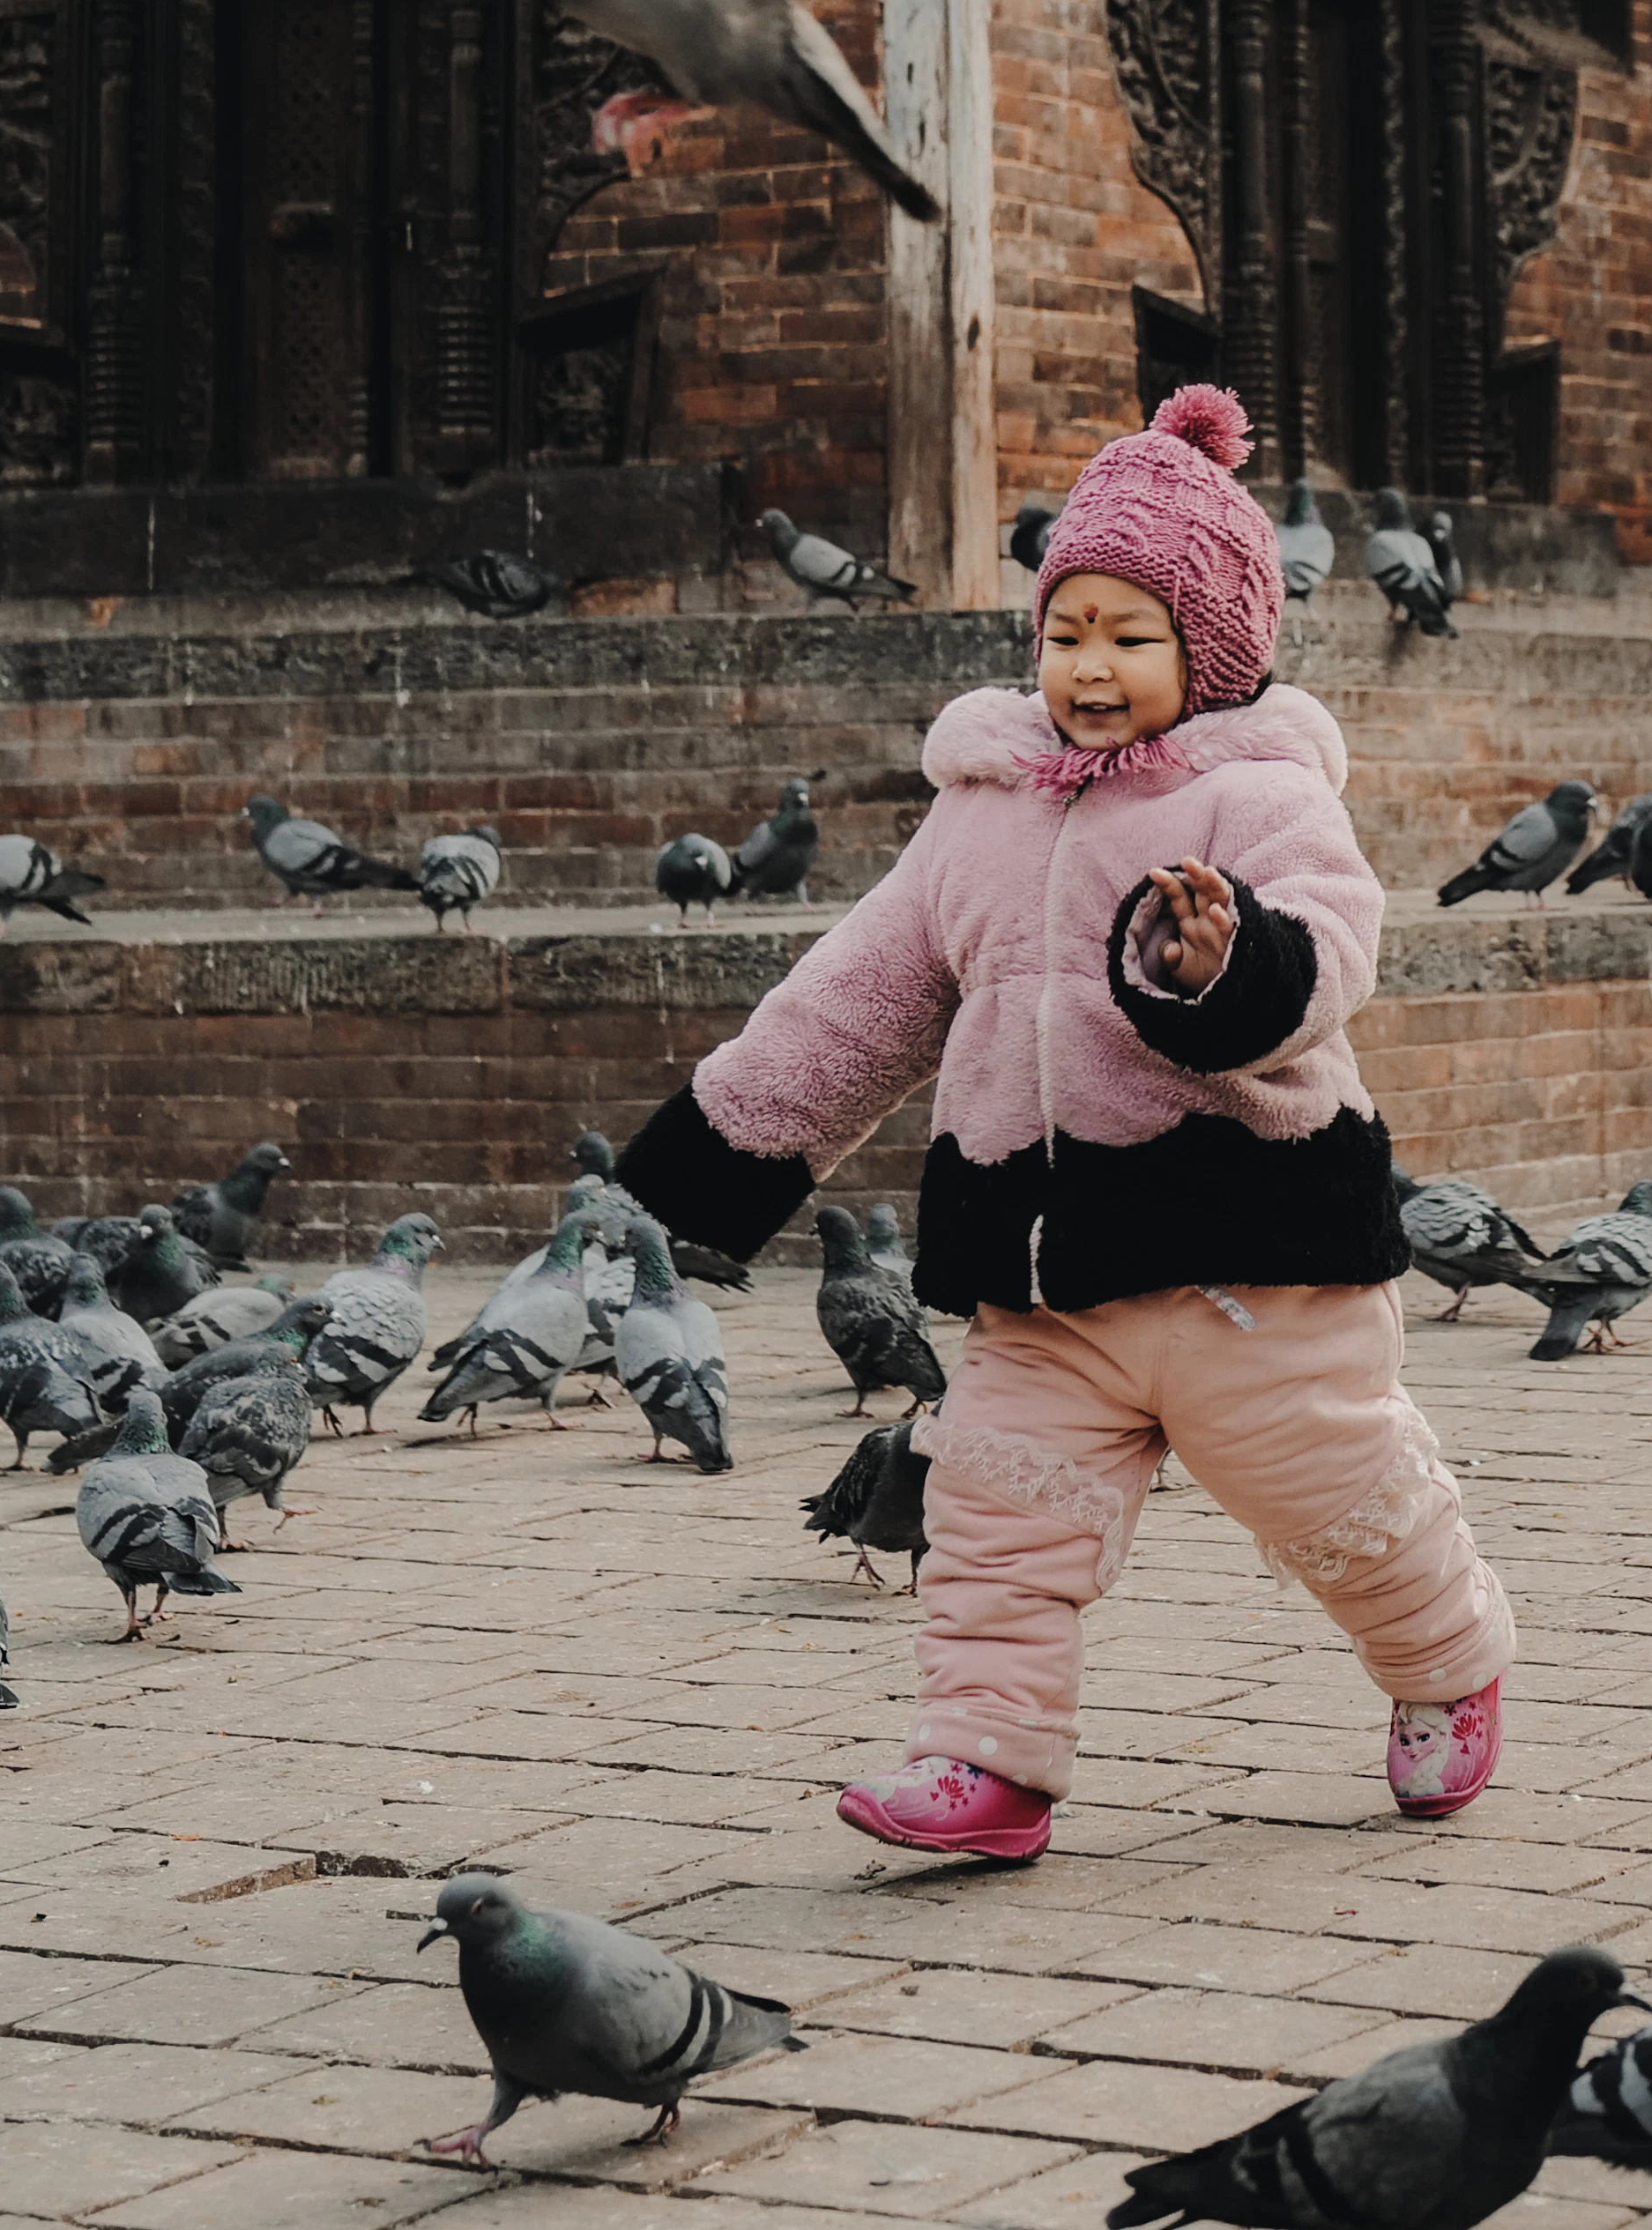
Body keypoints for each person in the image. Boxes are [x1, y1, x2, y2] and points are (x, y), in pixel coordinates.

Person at [623, 384, 1507, 1862]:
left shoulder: (1263, 796)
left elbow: (1335, 945)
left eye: (1131, 635)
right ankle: (988, 1763)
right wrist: (727, 1151)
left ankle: (1446, 1666)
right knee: (995, 1514)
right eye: (1066, 632)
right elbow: (863, 991)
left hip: (1250, 1254)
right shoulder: (977, 810)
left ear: (1211, 649)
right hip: (1038, 1263)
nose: (1090, 668)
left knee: (1342, 1502)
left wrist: (1226, 964)